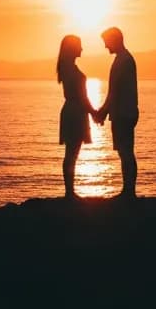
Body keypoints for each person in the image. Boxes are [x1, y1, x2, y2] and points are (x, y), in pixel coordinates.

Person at [94, 26, 139, 199]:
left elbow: (114, 91)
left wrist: (102, 111)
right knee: (125, 151)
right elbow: (114, 91)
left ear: (114, 40)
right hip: (124, 112)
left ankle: (129, 192)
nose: (105, 46)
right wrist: (105, 111)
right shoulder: (123, 59)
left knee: (126, 151)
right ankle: (128, 190)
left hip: (123, 113)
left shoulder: (124, 61)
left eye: (106, 42)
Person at [56, 34, 98, 199]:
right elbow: (82, 97)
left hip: (74, 111)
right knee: (72, 153)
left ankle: (69, 191)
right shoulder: (70, 69)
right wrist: (95, 113)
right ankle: (69, 193)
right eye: (79, 45)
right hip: (75, 112)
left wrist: (93, 113)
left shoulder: (67, 68)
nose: (82, 48)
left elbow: (82, 97)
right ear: (72, 48)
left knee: (72, 152)